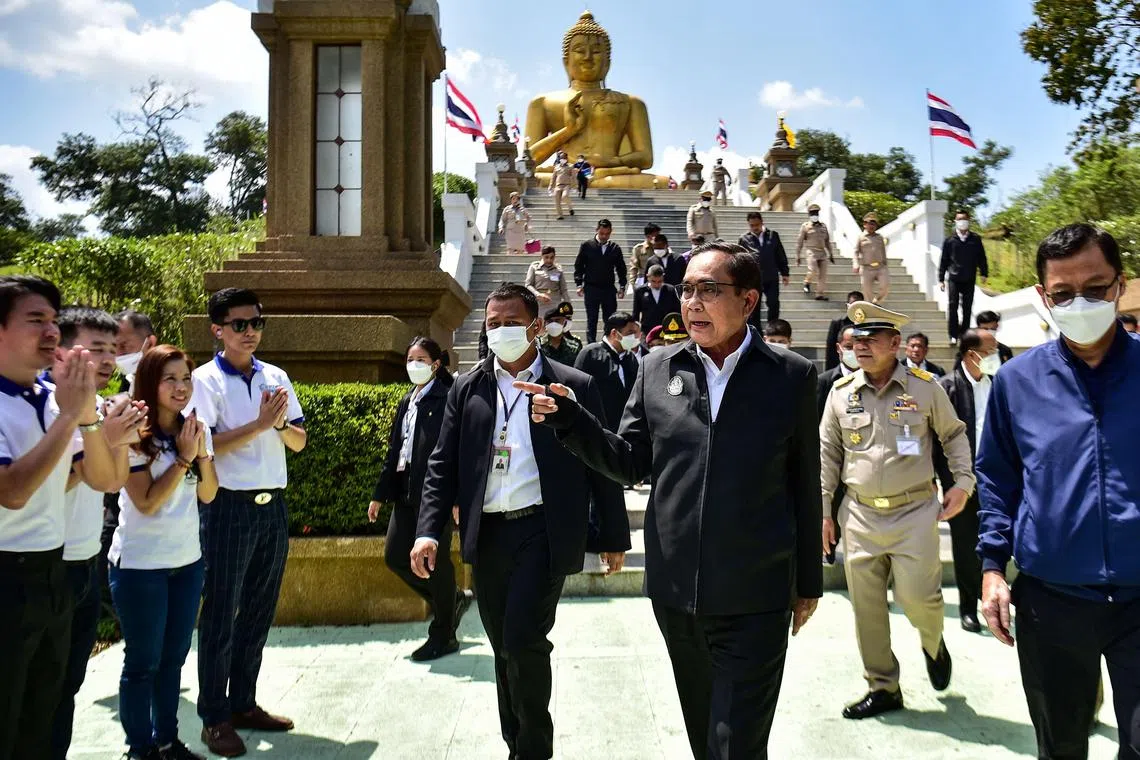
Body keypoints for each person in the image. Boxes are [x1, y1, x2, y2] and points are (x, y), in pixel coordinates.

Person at [521, 242, 822, 759]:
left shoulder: (792, 376)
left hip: (757, 596)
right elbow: (631, 460)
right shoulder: (658, 368)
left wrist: (808, 583)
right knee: (706, 737)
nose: (692, 302)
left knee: (737, 745)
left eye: (709, 290)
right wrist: (573, 420)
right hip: (678, 594)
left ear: (749, 302)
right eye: (687, 290)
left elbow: (804, 484)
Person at [410, 284, 629, 760]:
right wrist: (428, 530)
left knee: (523, 638)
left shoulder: (574, 385)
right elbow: (442, 464)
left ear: (534, 325)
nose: (501, 330)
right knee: (501, 645)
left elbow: (601, 461)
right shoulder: (468, 388)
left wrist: (614, 535)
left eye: (511, 321)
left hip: (542, 531)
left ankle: (533, 749)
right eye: (492, 323)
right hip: (487, 533)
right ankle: (516, 740)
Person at [976, 223, 1140, 760]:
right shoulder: (1016, 382)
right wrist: (993, 567)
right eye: (1065, 293)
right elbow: (998, 479)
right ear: (1044, 298)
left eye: (1096, 288)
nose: (1081, 302)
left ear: (1119, 286)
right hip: (1052, 599)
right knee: (1060, 745)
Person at [819, 300, 975, 720]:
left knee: (917, 598)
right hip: (860, 514)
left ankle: (932, 641)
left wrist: (962, 482)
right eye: (857, 340)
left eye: (872, 339)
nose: (861, 346)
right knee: (866, 608)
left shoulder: (925, 388)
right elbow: (828, 453)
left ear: (896, 343)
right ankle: (883, 686)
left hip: (914, 512)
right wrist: (823, 510)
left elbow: (955, 436)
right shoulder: (841, 394)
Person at [0, 276, 125, 760]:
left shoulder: (55, 402)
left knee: (44, 713)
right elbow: (12, 492)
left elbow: (100, 478)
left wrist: (87, 418)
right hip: (8, 578)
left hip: (54, 572)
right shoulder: (53, 408)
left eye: (54, 320)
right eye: (36, 320)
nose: (51, 331)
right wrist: (72, 418)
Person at [189, 287, 307, 758]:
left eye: (257, 323)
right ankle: (214, 717)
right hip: (227, 509)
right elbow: (206, 445)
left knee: (258, 612)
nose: (251, 332)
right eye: (240, 324)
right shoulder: (203, 381)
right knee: (220, 615)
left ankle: (243, 702)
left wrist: (277, 426)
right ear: (217, 329)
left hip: (271, 506)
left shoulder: (275, 376)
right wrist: (259, 426)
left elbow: (298, 442)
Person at [111, 345, 218, 760]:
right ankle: (140, 750)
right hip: (141, 568)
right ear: (149, 382)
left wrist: (201, 453)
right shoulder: (133, 433)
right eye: (170, 378)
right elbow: (147, 502)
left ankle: (168, 742)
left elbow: (209, 493)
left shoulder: (193, 429)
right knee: (143, 663)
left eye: (186, 378)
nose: (181, 387)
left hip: (186, 563)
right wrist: (184, 459)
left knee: (173, 660)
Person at [48, 307, 143, 760]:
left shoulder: (99, 410)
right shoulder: (47, 405)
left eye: (113, 350)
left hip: (84, 562)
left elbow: (111, 480)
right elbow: (34, 488)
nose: (107, 361)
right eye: (95, 349)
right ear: (60, 348)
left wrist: (115, 439)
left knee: (65, 687)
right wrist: (94, 438)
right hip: (41, 566)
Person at [368, 338, 472, 661]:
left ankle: (444, 634)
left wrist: (456, 495)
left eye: (421, 359)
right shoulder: (407, 400)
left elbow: (456, 450)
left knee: (435, 564)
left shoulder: (446, 397)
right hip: (405, 491)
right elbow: (395, 451)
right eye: (410, 359)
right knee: (395, 556)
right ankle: (451, 600)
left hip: (435, 493)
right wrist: (379, 495)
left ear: (436, 364)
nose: (414, 365)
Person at [932, 329, 1000, 635]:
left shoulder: (998, 384)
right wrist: (946, 482)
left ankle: (996, 601)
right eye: (991, 350)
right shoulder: (947, 388)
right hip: (962, 482)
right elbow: (936, 439)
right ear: (971, 354)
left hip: (997, 479)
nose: (996, 355)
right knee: (965, 545)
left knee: (997, 542)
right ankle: (968, 607)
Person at [816, 324, 859, 563]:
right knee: (829, 513)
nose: (853, 351)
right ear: (839, 348)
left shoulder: (872, 379)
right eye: (848, 346)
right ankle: (828, 554)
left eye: (858, 346)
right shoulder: (824, 381)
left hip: (860, 461)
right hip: (831, 460)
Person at [573, 312, 640, 433]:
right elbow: (578, 391)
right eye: (630, 333)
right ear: (615, 333)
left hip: (626, 427)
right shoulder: (590, 354)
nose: (635, 337)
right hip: (598, 428)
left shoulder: (630, 357)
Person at [938, 210, 989, 345]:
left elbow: (981, 257)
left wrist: (984, 272)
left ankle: (964, 334)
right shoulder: (950, 241)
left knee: (967, 308)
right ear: (955, 222)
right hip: (954, 278)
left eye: (964, 219)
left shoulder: (975, 239)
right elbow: (944, 260)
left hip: (969, 278)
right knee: (953, 306)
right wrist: (941, 279)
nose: (962, 222)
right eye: (959, 219)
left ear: (969, 221)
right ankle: (953, 335)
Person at [574, 219, 626, 344]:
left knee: (610, 319)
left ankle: (607, 343)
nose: (604, 236)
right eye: (602, 233)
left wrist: (622, 286)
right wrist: (579, 283)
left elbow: (621, 268)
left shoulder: (615, 248)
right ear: (597, 230)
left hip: (608, 288)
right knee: (592, 319)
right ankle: (591, 345)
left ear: (610, 232)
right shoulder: (587, 246)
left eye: (607, 234)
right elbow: (579, 266)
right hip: (591, 288)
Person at [738, 211, 789, 327]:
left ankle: (772, 328)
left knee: (773, 303)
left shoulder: (773, 235)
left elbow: (780, 254)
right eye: (752, 225)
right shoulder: (744, 239)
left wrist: (785, 273)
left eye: (757, 225)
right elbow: (740, 260)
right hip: (754, 279)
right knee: (753, 307)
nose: (755, 228)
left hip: (771, 276)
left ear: (762, 222)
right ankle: (756, 333)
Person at [114, 308, 158, 394]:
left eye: (123, 345)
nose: (118, 354)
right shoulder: (129, 380)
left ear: (150, 343)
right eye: (113, 347)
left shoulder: (172, 384)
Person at [797, 203, 834, 301]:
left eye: (816, 213)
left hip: (822, 252)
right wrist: (798, 255)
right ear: (809, 214)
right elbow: (800, 242)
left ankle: (819, 294)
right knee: (813, 270)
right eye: (812, 213)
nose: (815, 215)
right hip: (811, 251)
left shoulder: (823, 226)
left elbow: (827, 241)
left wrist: (831, 253)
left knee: (823, 274)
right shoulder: (805, 226)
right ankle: (807, 282)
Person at [632, 265, 681, 334]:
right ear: (648, 277)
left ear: (663, 277)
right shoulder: (640, 291)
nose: (656, 284)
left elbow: (677, 310)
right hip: (647, 329)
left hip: (668, 328)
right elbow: (635, 313)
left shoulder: (670, 290)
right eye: (653, 281)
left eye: (659, 281)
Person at [854, 213, 889, 304]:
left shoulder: (879, 237)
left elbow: (883, 251)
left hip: (880, 267)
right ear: (865, 225)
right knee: (867, 290)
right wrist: (856, 263)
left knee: (885, 286)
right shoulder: (861, 237)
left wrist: (885, 263)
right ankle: (870, 306)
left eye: (873, 224)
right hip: (867, 268)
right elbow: (856, 251)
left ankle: (876, 301)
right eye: (869, 224)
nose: (871, 226)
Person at [824, 291, 864, 370]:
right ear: (847, 305)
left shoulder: (867, 324)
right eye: (852, 304)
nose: (855, 308)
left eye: (858, 305)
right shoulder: (838, 323)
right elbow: (831, 349)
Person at [538, 301, 583, 366]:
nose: (554, 324)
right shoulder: (537, 345)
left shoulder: (574, 346)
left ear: (564, 323)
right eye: (550, 321)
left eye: (557, 321)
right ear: (545, 324)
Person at [629, 223, 661, 288]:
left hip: (658, 280)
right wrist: (632, 283)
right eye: (655, 235)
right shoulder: (638, 249)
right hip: (643, 279)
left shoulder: (662, 248)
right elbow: (634, 267)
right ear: (648, 236)